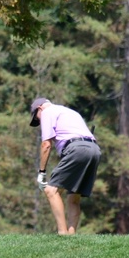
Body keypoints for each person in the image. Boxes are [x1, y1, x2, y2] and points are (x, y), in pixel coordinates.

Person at [30, 97, 101, 235]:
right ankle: (71, 235)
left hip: (76, 149)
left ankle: (62, 234)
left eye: (37, 118)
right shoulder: (71, 112)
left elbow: (46, 145)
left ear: (40, 109)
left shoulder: (47, 112)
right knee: (74, 196)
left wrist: (42, 172)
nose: (39, 122)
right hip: (94, 150)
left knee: (51, 191)